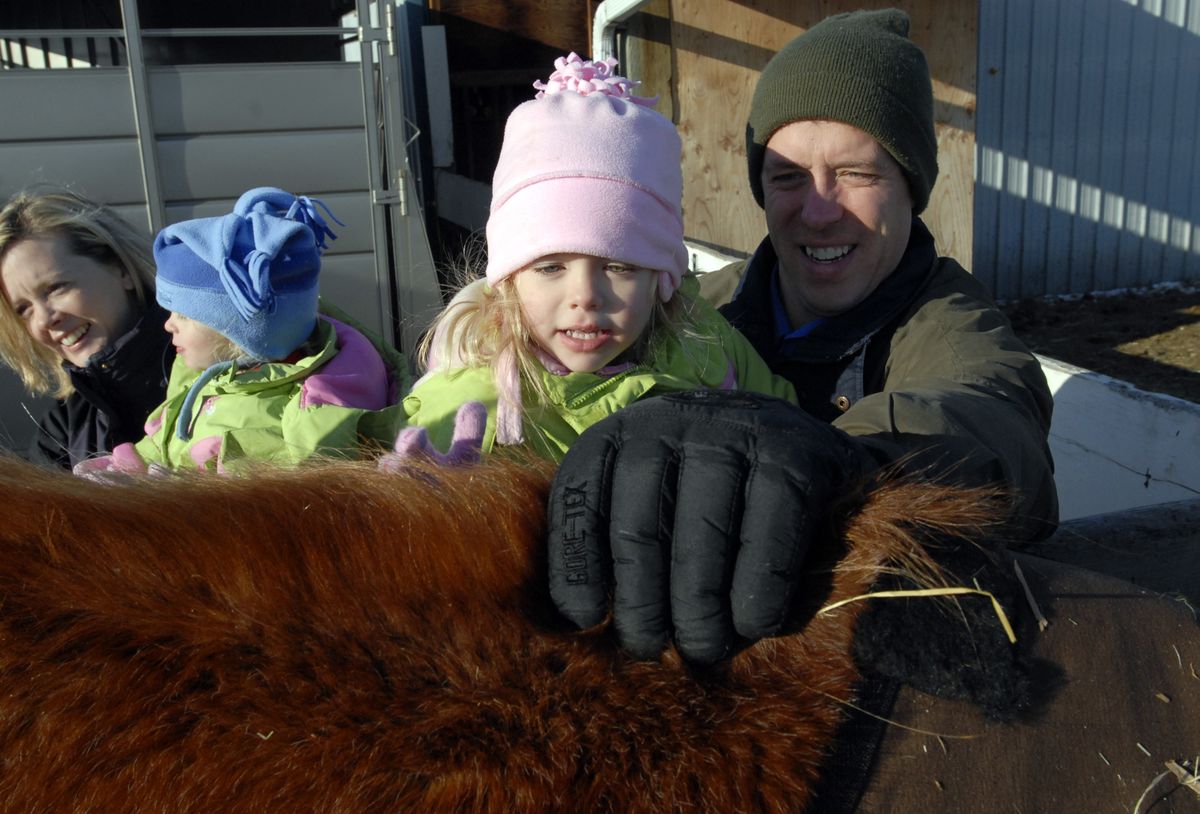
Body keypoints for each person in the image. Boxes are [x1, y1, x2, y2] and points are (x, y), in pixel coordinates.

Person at [546, 10, 1058, 675]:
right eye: (788, 178)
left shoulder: (950, 321)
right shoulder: (695, 309)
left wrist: (845, 459)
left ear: (912, 187)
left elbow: (991, 417)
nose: (817, 210)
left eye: (857, 174)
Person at [395, 54, 795, 464]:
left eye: (619, 266)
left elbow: (794, 430)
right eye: (551, 267)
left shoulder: (708, 349)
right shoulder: (470, 403)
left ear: (661, 280)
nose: (585, 296)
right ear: (509, 279)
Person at [80, 187, 408, 474]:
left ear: (238, 329)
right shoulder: (201, 374)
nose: (168, 325)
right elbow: (167, 437)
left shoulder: (320, 400)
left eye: (184, 314)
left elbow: (314, 479)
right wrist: (129, 467)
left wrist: (214, 476)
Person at [0, 188, 173, 470]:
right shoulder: (62, 432)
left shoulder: (216, 371)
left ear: (122, 270)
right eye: (24, 309)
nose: (44, 320)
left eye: (56, 287)